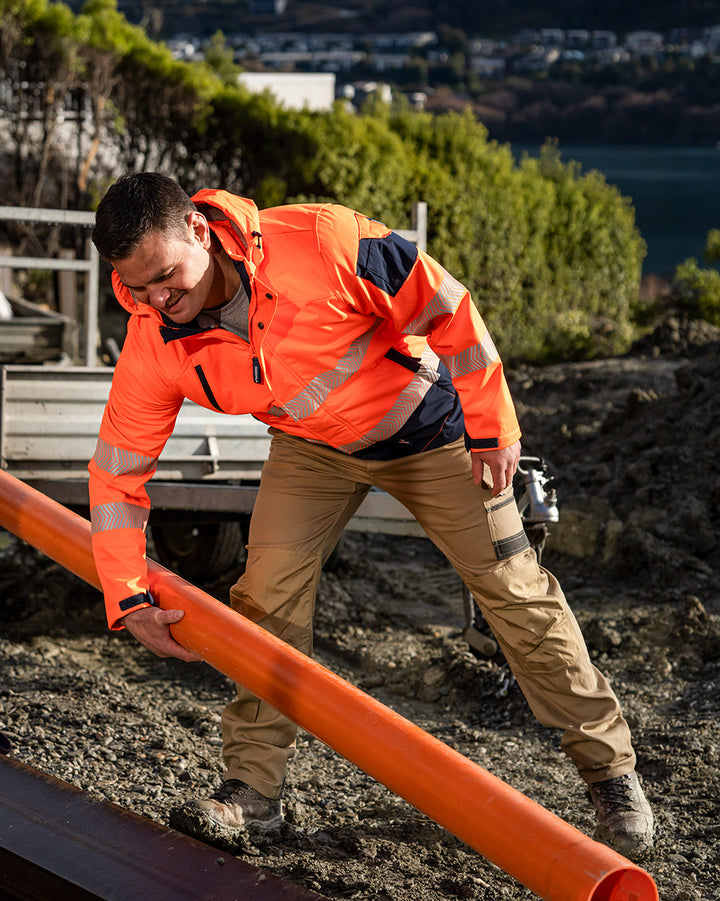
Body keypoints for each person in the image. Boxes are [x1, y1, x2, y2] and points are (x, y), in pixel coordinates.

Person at [88, 172, 654, 860]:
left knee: (514, 592)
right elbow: (118, 471)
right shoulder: (154, 334)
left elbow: (446, 304)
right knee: (265, 599)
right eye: (137, 287)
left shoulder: (323, 242)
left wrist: (494, 425)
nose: (157, 300)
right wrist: (126, 593)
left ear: (200, 232)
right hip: (312, 449)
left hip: (431, 430)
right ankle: (251, 794)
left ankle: (611, 774)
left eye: (167, 277)